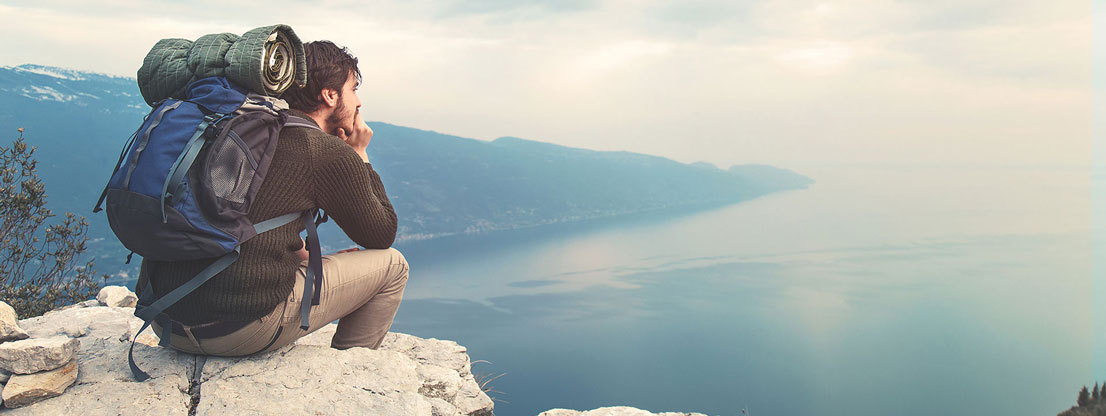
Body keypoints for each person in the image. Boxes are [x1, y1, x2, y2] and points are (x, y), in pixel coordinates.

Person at [136, 40, 408, 355]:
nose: (358, 101)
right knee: (393, 265)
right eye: (353, 88)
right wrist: (360, 154)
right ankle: (351, 370)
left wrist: (301, 255)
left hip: (166, 320)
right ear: (330, 95)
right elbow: (381, 234)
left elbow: (245, 217)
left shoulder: (241, 128)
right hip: (235, 332)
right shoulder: (321, 149)